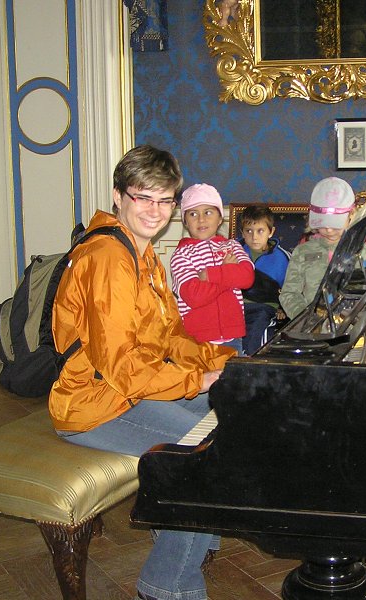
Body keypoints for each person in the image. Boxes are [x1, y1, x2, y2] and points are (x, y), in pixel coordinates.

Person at [48, 145, 235, 600]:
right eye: (143, 197)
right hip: (96, 405)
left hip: (130, 390)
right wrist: (197, 381)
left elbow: (170, 336)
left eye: (165, 200)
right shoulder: (108, 258)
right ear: (118, 196)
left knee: (233, 414)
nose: (155, 211)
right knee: (203, 455)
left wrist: (226, 363)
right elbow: (122, 367)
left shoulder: (143, 252)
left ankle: (192, 537)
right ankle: (165, 586)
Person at [279, 177, 366, 320]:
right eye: (323, 224)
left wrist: (359, 318)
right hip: (312, 324)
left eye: (335, 225)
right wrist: (306, 318)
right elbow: (289, 293)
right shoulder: (302, 252)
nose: (328, 230)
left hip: (353, 323)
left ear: (351, 215)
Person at [170, 183, 254, 354]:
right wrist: (228, 273)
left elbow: (246, 277)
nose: (201, 219)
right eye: (193, 214)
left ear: (220, 218)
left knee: (231, 373)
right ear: (185, 221)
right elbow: (194, 295)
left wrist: (210, 274)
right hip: (196, 340)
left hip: (233, 338)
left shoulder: (232, 246)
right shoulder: (181, 254)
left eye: (208, 212)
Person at [237, 204, 291, 355]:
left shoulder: (282, 258)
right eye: (249, 231)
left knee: (256, 332)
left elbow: (290, 288)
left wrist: (283, 308)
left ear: (271, 232)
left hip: (264, 307)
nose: (254, 237)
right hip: (235, 305)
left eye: (260, 231)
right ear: (242, 232)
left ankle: (252, 360)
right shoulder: (233, 251)